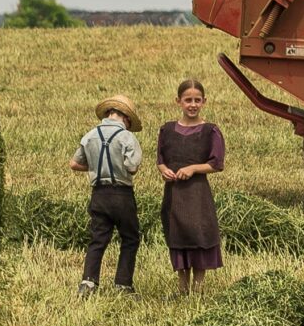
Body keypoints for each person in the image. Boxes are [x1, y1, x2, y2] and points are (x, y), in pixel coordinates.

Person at [154, 77, 227, 296]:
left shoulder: (210, 131)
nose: (192, 104)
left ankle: (199, 288)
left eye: (197, 100)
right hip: (174, 194)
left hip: (197, 195)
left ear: (204, 101)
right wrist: (163, 170)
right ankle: (182, 288)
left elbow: (216, 164)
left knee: (199, 236)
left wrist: (194, 168)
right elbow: (160, 159)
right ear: (178, 101)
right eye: (188, 100)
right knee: (178, 237)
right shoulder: (166, 130)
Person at [70, 94, 143, 296]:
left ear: (108, 113)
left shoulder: (90, 135)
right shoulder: (127, 137)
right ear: (126, 118)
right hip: (122, 194)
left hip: (99, 194)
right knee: (130, 238)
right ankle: (122, 284)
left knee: (98, 238)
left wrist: (96, 166)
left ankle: (89, 282)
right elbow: (132, 167)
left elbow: (74, 164)